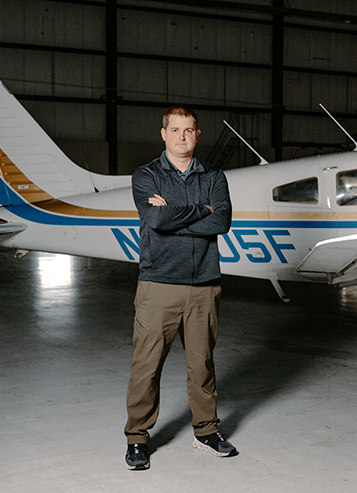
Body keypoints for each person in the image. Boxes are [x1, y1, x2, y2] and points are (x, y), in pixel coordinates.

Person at [124, 105, 235, 470]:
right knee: (147, 365)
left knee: (201, 365)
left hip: (204, 286)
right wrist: (200, 210)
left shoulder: (214, 177)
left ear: (197, 135)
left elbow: (222, 222)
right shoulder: (146, 175)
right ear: (164, 134)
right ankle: (138, 438)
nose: (182, 137)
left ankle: (206, 431)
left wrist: (176, 214)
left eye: (189, 131)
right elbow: (154, 219)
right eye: (175, 130)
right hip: (159, 285)